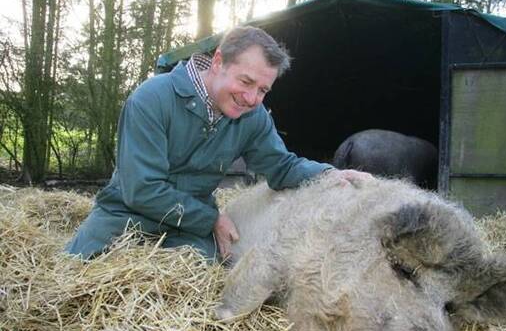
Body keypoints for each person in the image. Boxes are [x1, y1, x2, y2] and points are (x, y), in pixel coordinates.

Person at [65, 26, 370, 262]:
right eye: (246, 82)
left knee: (206, 290)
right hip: (124, 216)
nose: (252, 99)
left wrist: (327, 175)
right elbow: (141, 190)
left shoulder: (254, 117)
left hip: (186, 230)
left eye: (263, 89)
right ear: (218, 62)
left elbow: (281, 166)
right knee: (82, 278)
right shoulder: (151, 99)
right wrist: (211, 218)